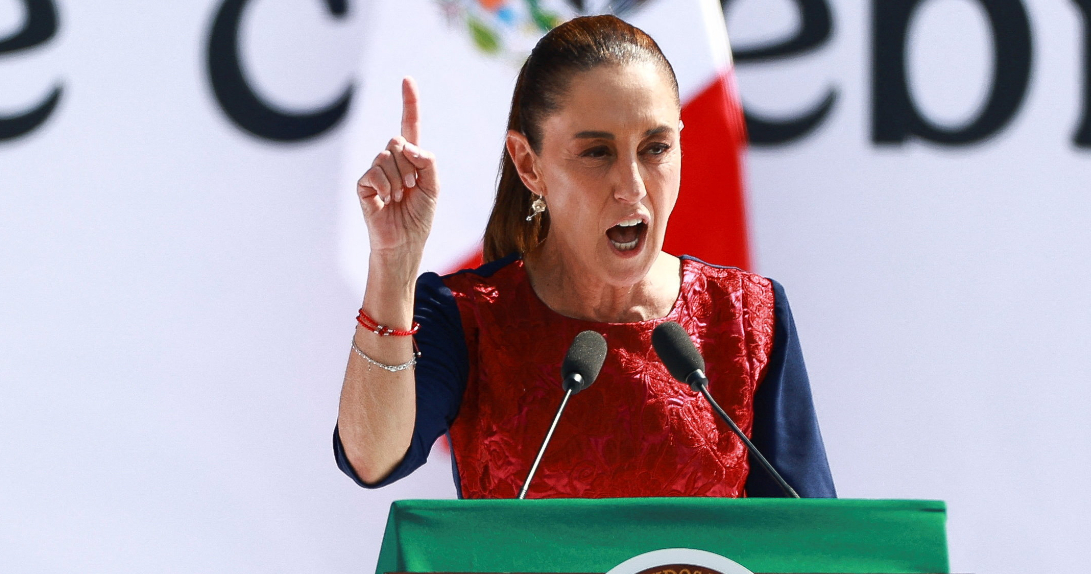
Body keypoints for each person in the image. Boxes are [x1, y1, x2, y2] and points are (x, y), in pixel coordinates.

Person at [334, 15, 835, 499]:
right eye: (597, 152)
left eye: (656, 148)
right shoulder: (468, 317)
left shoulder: (747, 316)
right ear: (529, 165)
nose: (632, 186)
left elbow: (812, 539)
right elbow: (371, 459)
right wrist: (394, 263)